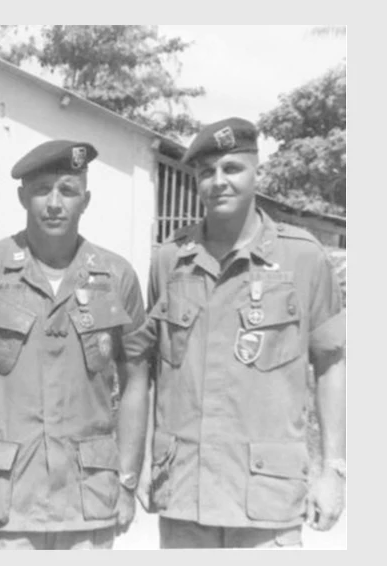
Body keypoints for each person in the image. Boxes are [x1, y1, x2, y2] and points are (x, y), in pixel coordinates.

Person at [0, 140, 151, 550]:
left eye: (67, 190)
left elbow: (136, 379)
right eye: (41, 190)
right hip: (0, 509)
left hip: (87, 503)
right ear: (22, 197)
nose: (54, 203)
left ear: (86, 200)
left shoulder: (117, 277)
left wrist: (127, 478)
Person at [135, 117, 346, 548]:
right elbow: (152, 371)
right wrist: (139, 463)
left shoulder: (303, 257)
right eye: (206, 172)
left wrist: (333, 470)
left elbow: (331, 365)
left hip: (267, 498)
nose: (218, 182)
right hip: (184, 491)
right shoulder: (170, 259)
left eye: (232, 168)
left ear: (255, 172)